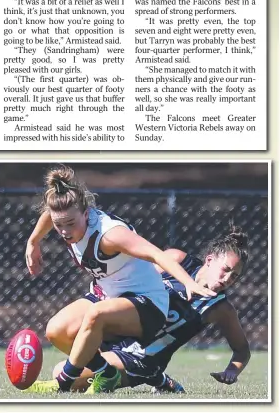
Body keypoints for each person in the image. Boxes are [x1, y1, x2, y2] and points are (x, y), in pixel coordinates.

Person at [23, 166, 215, 394]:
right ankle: (107, 374)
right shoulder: (67, 214)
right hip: (109, 295)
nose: (64, 231)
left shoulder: (110, 236)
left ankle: (63, 383)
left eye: (70, 224)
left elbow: (157, 254)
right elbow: (51, 214)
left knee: (96, 315)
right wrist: (33, 241)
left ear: (86, 213)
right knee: (57, 330)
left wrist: (189, 283)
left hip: (148, 304)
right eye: (59, 225)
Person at [51, 226, 251, 393]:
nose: (227, 279)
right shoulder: (177, 260)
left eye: (234, 276)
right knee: (61, 329)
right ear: (209, 260)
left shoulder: (221, 308)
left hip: (138, 357)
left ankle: (154, 375)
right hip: (117, 331)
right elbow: (135, 280)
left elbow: (242, 350)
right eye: (226, 269)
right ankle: (159, 380)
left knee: (61, 371)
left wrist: (232, 371)